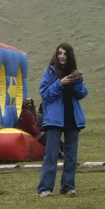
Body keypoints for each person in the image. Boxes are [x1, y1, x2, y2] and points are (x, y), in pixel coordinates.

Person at [36, 43, 88, 197]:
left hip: (72, 118)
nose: (62, 56)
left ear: (69, 56)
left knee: (71, 155)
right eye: (59, 53)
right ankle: (45, 188)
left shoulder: (74, 73)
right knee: (51, 154)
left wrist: (77, 81)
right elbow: (45, 94)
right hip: (54, 119)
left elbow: (82, 94)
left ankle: (68, 187)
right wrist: (60, 83)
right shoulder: (50, 72)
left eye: (65, 54)